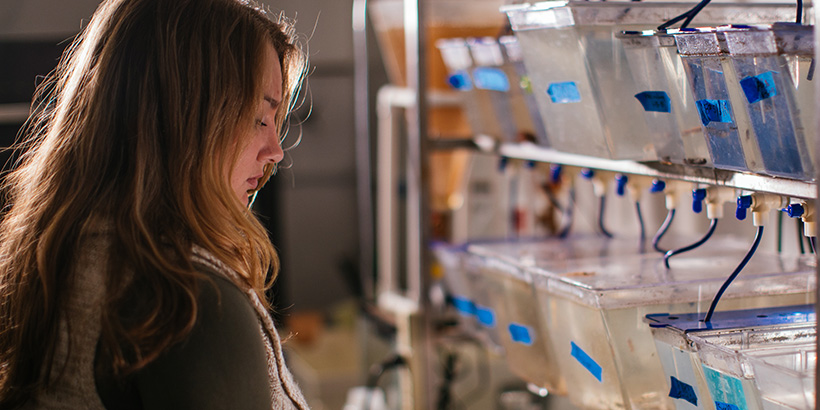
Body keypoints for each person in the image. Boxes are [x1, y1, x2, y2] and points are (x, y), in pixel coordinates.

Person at [0, 0, 309, 408]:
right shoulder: (190, 300)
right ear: (182, 118)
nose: (276, 151)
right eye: (259, 118)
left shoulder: (55, 255)